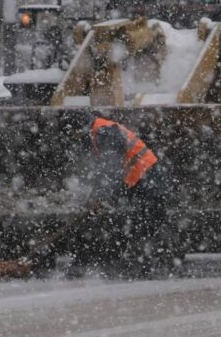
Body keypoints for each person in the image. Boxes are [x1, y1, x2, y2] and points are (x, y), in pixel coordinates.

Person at [66, 114, 169, 279]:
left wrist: (99, 197)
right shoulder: (100, 130)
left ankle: (148, 266)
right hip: (143, 178)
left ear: (79, 128)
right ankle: (145, 264)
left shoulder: (104, 131)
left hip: (148, 178)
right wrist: (97, 195)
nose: (75, 138)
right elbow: (106, 169)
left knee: (146, 223)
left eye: (74, 134)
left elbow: (111, 167)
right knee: (143, 222)